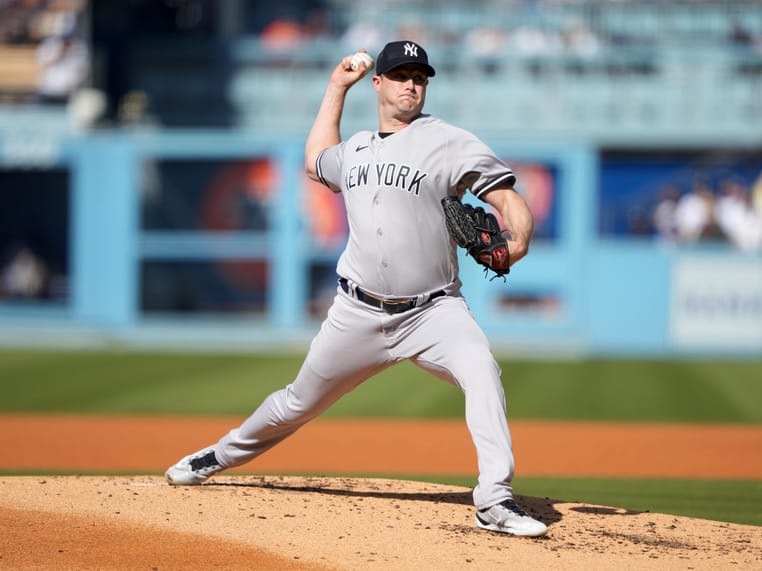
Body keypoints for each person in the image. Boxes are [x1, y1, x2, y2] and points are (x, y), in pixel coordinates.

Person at [165, 40, 547, 538]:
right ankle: (214, 456)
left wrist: (515, 244)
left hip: (434, 311)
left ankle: (494, 500)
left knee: (482, 373)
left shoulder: (449, 141)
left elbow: (507, 198)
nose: (412, 83)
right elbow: (315, 160)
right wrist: (334, 88)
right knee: (295, 403)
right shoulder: (359, 149)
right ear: (379, 83)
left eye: (420, 76)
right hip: (357, 312)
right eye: (401, 74)